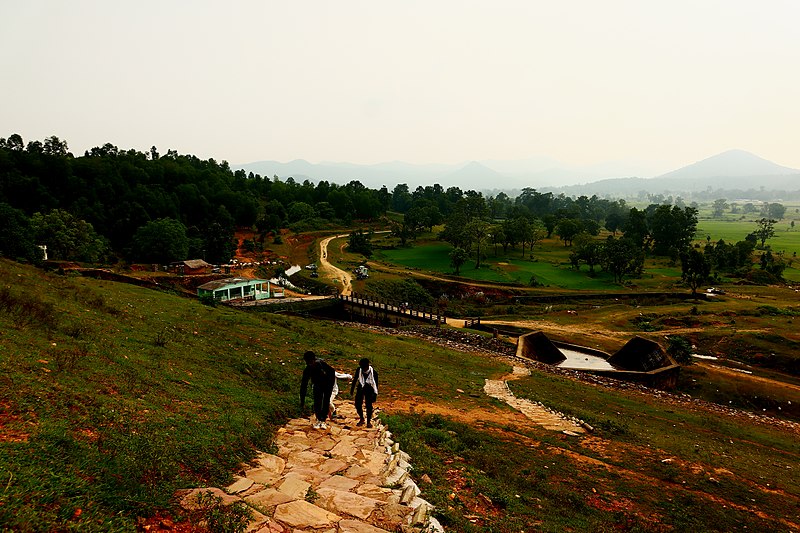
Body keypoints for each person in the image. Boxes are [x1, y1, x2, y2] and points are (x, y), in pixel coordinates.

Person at [300, 351, 336, 429]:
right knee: (317, 402)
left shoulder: (321, 364)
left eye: (310, 362)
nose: (309, 364)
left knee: (326, 401)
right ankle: (319, 419)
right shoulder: (307, 369)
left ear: (314, 360)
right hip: (317, 385)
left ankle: (323, 420)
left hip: (327, 384)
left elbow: (332, 372)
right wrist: (302, 400)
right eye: (307, 362)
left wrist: (331, 385)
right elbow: (303, 385)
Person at [350, 357, 379, 428]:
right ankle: (361, 418)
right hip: (361, 387)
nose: (363, 369)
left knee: (369, 405)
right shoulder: (359, 370)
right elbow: (355, 379)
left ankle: (368, 422)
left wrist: (374, 395)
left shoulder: (374, 373)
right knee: (357, 404)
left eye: (364, 368)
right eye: (362, 368)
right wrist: (352, 390)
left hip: (370, 388)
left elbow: (376, 385)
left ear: (368, 366)